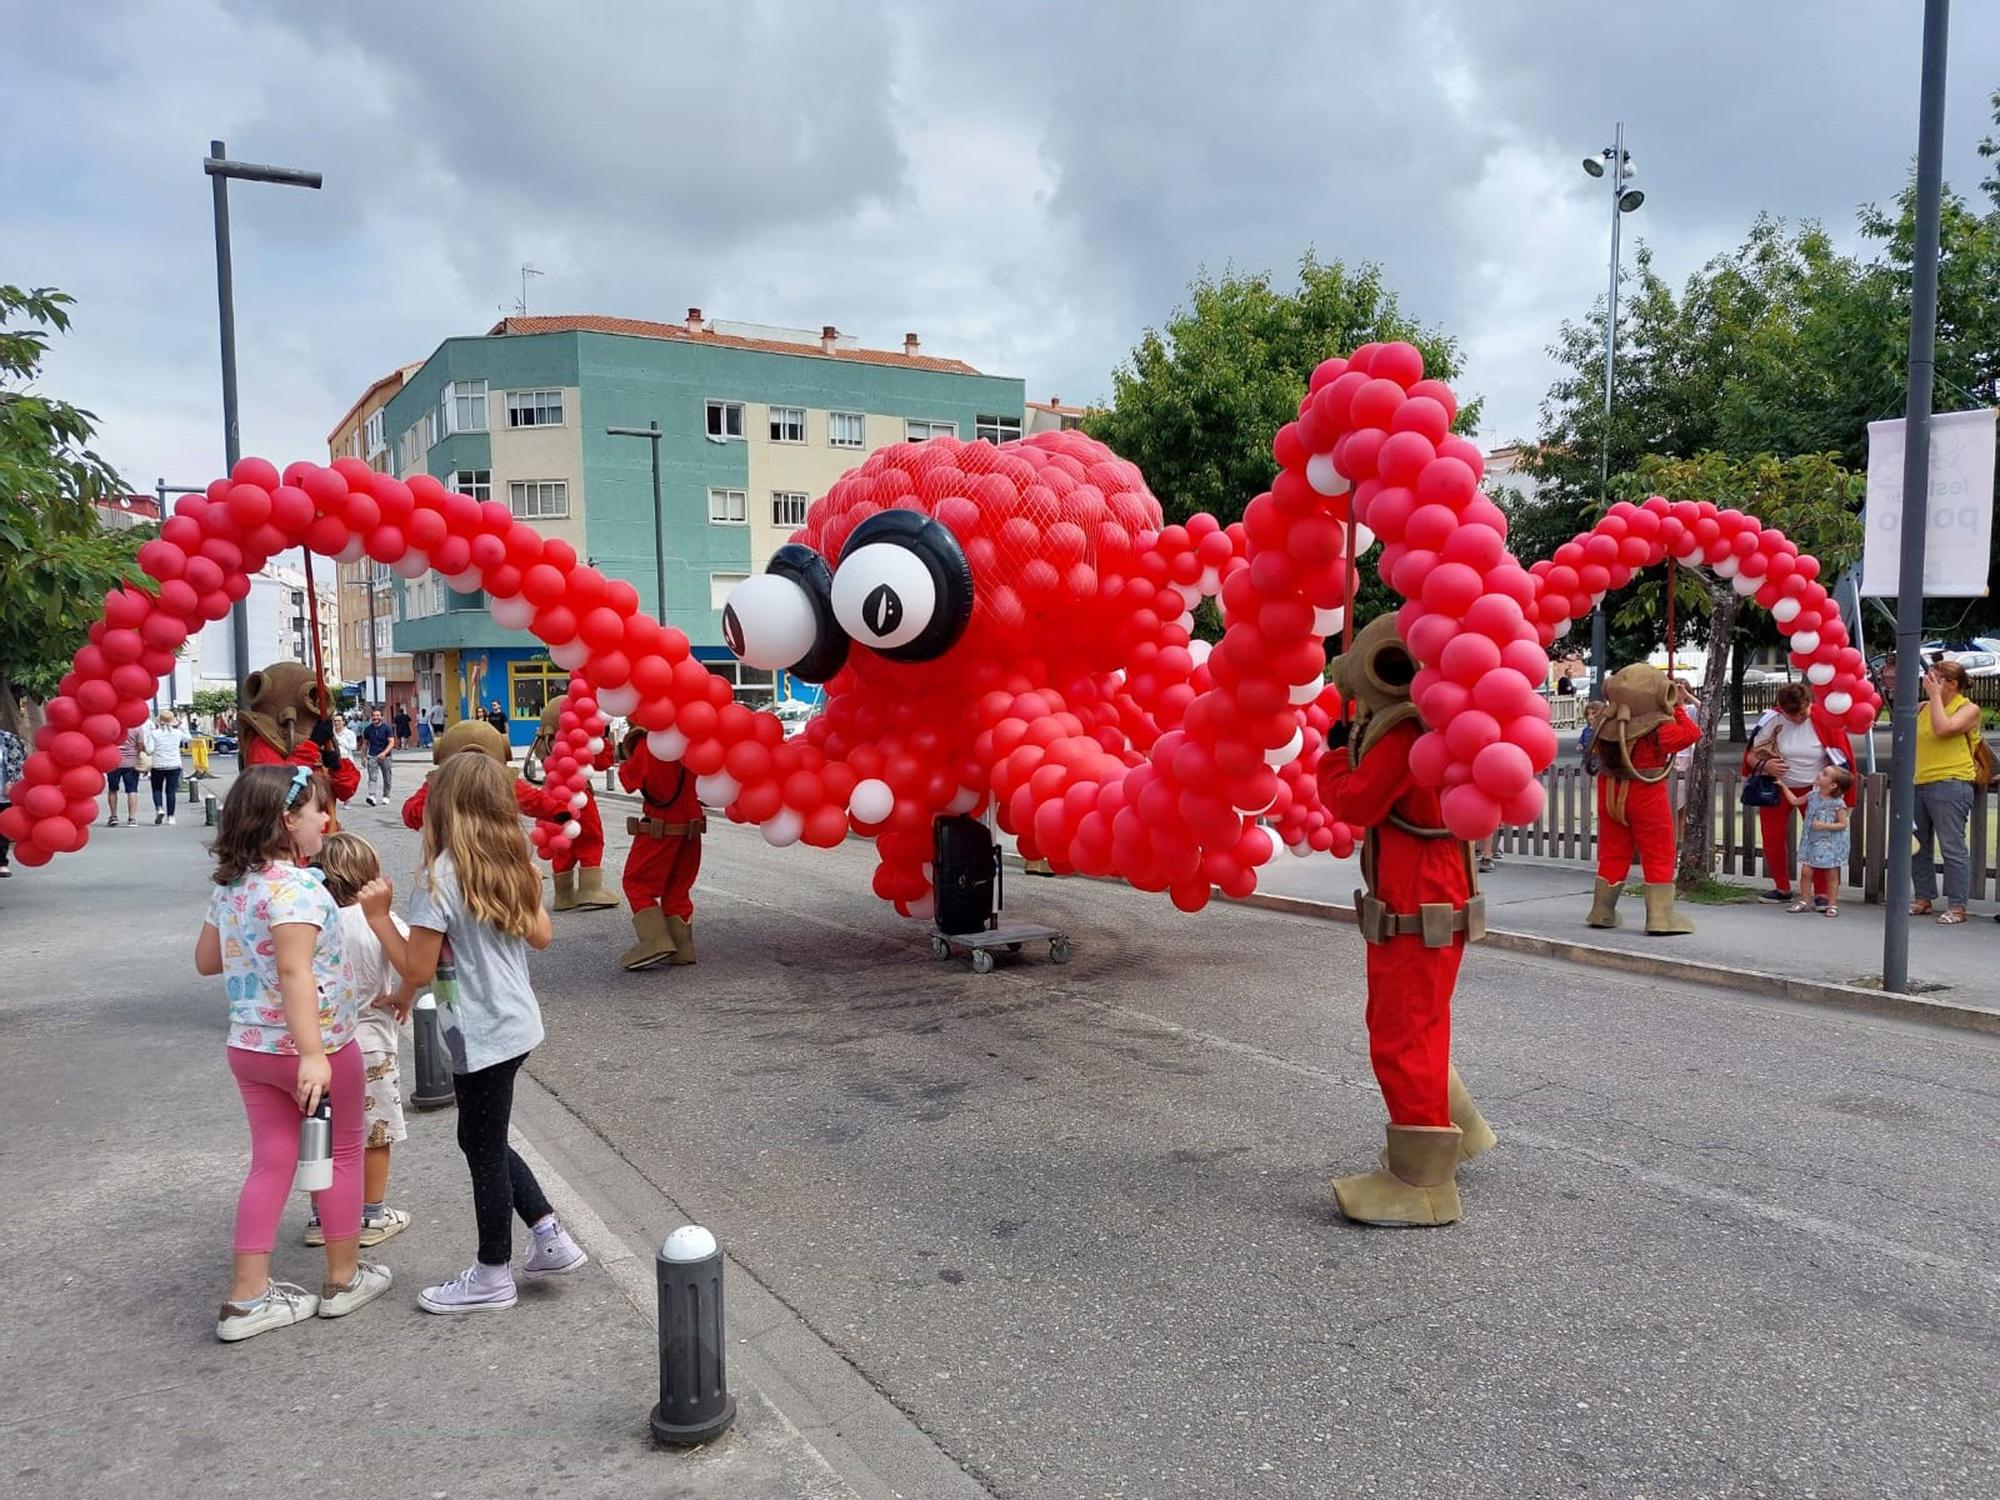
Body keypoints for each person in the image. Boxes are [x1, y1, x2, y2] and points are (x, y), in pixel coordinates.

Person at [194, 765, 393, 1342]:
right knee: (343, 1155)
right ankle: (342, 1278)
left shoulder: (231, 886)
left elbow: (208, 961)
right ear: (287, 820)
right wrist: (312, 1054)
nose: (325, 820)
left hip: (249, 1048)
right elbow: (294, 969)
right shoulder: (300, 887)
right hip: (320, 1050)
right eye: (315, 812)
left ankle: (247, 1295)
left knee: (272, 1159)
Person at [389, 752, 588, 1313]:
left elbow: (418, 966)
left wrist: (380, 919)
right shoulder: (513, 861)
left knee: (480, 1146)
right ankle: (548, 1235)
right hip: (514, 1022)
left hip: (478, 1030)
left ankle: (492, 1273)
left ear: (444, 806)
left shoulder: (440, 876)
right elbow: (542, 936)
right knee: (483, 1137)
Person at [1316, 616, 1494, 1228]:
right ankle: (1457, 1130)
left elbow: (1357, 800)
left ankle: (1422, 1183)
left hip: (1418, 900)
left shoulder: (1405, 731)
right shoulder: (1439, 725)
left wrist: (1334, 760)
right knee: (1420, 1020)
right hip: (1436, 893)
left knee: (1401, 1032)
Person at [303, 833, 416, 1249]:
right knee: (375, 1133)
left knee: (321, 1133)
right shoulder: (377, 920)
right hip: (371, 1041)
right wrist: (403, 996)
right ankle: (370, 1215)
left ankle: (320, 1218)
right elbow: (414, 962)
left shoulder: (310, 921)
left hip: (317, 1045)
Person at [1585, 664, 1701, 935]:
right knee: (1658, 851)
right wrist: (1676, 706)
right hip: (1645, 792)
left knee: (1613, 850)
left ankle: (1602, 910)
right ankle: (1661, 917)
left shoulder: (1605, 720)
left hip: (1609, 790)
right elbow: (1692, 734)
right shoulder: (1658, 728)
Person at [1743, 682, 1853, 907]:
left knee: (1820, 840)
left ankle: (1822, 892)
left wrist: (1843, 797)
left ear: (1809, 703)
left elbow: (1843, 759)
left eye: (1803, 713)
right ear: (1782, 709)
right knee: (1772, 837)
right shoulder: (1770, 720)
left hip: (1817, 790)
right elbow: (1750, 756)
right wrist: (1766, 766)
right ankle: (1781, 887)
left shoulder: (1824, 719)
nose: (1799, 719)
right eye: (1792, 715)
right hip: (1776, 786)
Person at [617, 725, 706, 969]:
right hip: (692, 827)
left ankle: (655, 940)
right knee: (677, 888)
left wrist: (630, 747)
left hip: (661, 827)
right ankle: (684, 948)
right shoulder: (692, 738)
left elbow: (629, 779)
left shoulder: (651, 743)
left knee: (636, 882)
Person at [527, 700, 620, 912]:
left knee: (563, 844)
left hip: (553, 794)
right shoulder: (577, 740)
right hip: (579, 794)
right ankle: (590, 889)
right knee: (590, 838)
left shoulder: (545, 742)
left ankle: (564, 895)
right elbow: (604, 761)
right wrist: (599, 736)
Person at [1910, 658, 1982, 926]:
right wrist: (1930, 700)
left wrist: (1934, 697)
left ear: (1951, 683)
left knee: (1952, 846)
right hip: (1920, 780)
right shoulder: (1923, 708)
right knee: (1918, 846)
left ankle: (1957, 905)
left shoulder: (1968, 709)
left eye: (1935, 678)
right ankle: (1923, 896)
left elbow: (1944, 729)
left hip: (1952, 781)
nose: (1927, 682)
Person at [1787, 766, 1854, 917]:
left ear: (1832, 785)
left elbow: (1843, 824)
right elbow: (1795, 801)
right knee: (1806, 871)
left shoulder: (1838, 804)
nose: (1819, 775)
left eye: (1825, 774)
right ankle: (1804, 900)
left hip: (1829, 843)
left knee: (1831, 873)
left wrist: (1824, 825)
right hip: (1811, 840)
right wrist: (1783, 785)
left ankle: (1832, 904)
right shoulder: (1812, 795)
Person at [144, 709, 191, 826]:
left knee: (157, 789)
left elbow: (149, 750)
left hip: (158, 765)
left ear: (159, 721)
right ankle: (171, 817)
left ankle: (159, 808)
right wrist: (182, 726)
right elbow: (189, 738)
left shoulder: (154, 733)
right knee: (170, 791)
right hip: (174, 765)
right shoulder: (177, 733)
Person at [106, 720, 143, 827]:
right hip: (131, 763)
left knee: (113, 789)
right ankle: (132, 818)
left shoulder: (112, 727)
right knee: (132, 790)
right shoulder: (137, 728)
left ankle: (113, 816)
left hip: (113, 762)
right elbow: (140, 746)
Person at [360, 708, 396, 806]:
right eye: (374, 716)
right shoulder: (368, 729)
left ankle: (386, 796)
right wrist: (363, 757)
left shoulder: (387, 728)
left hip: (386, 757)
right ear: (371, 717)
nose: (375, 718)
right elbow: (365, 744)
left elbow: (392, 742)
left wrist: (384, 753)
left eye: (377, 715)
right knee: (372, 777)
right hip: (372, 756)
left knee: (387, 778)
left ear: (382, 717)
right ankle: (372, 796)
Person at [0, 723, 22, 876]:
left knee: (2, 829)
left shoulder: (8, 739)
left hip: (3, 793)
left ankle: (1, 863)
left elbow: (18, 763)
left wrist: (13, 781)